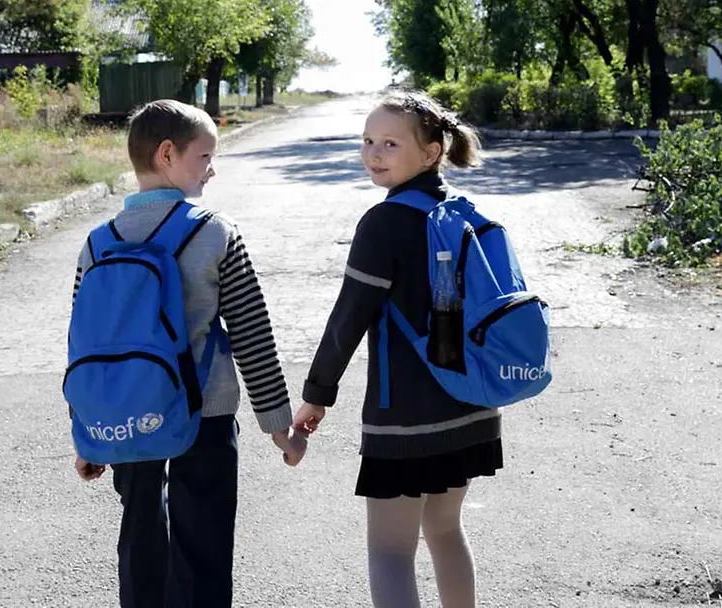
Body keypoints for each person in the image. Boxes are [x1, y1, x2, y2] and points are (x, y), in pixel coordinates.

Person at [70, 99, 306, 608]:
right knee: (204, 545)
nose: (212, 168)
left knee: (140, 540)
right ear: (168, 154)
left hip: (126, 417)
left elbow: (85, 344)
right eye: (205, 156)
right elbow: (251, 333)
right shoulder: (215, 231)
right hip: (205, 413)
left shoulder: (97, 243)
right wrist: (277, 425)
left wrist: (88, 436)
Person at [293, 91, 502, 608]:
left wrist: (317, 394)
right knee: (445, 531)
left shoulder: (384, 223)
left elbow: (348, 321)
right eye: (367, 141)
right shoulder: (464, 214)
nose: (374, 153)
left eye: (390, 143)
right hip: (470, 403)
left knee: (389, 551)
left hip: (404, 417)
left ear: (431, 153)